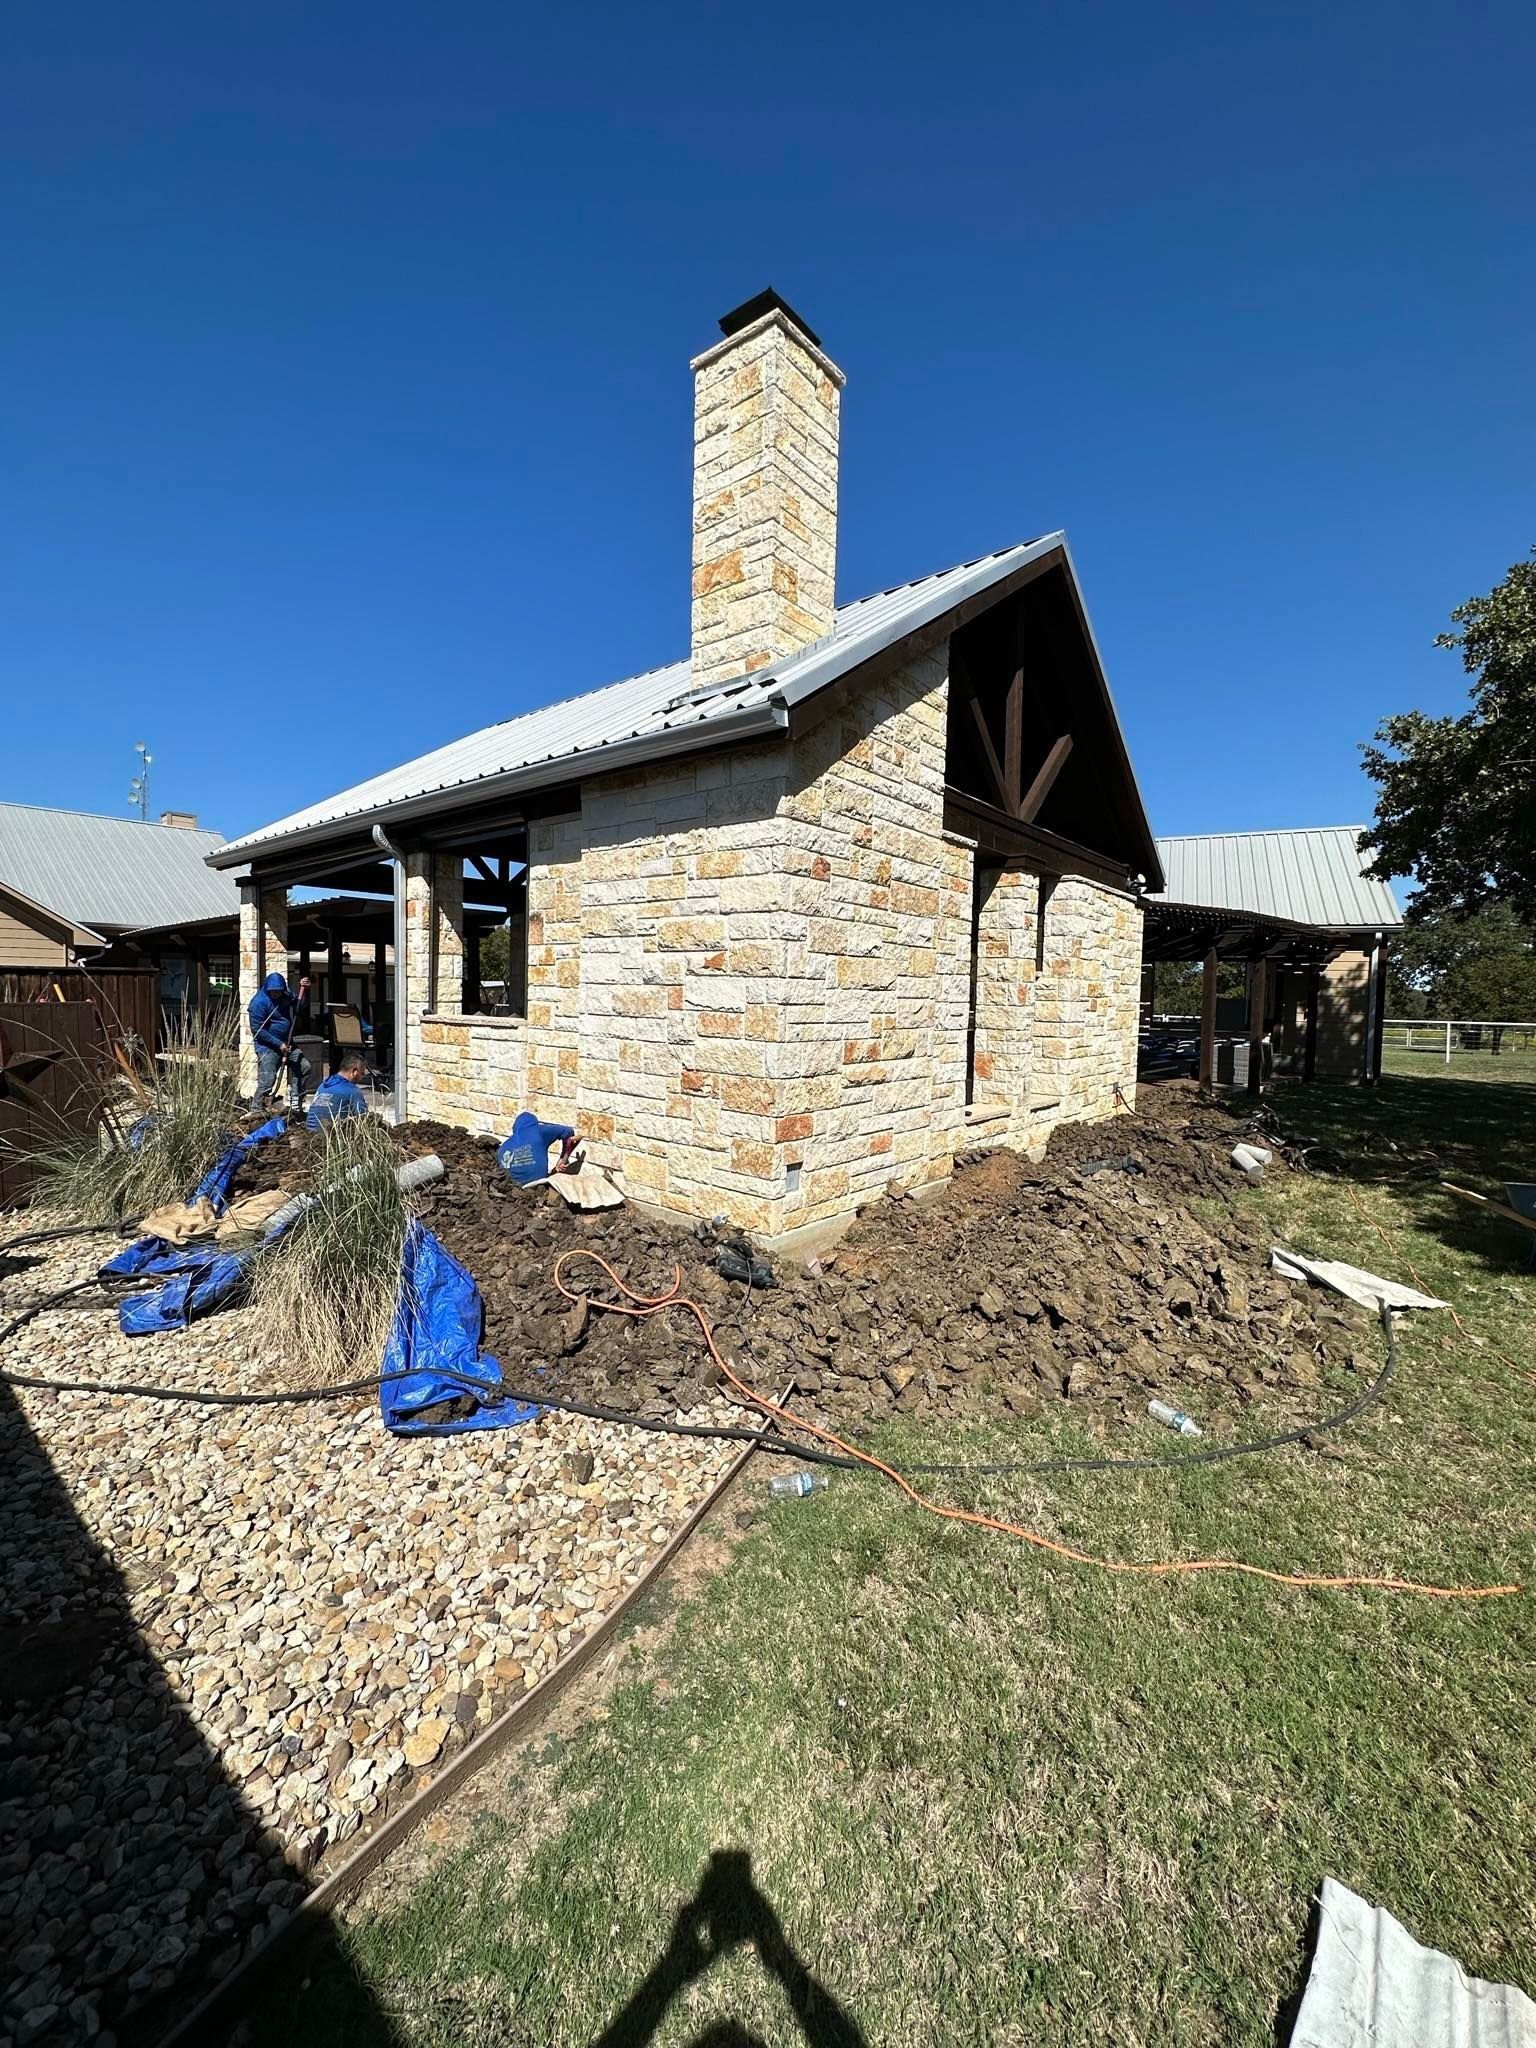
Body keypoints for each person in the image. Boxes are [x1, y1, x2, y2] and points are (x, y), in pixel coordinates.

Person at [248, 970, 312, 1116]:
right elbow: (257, 1030)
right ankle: (256, 1110)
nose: (276, 995)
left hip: (287, 1042)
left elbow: (299, 1006)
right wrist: (278, 1044)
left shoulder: (285, 993)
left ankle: (296, 1102)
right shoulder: (258, 1003)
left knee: (304, 1067)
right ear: (267, 989)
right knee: (268, 1079)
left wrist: (305, 991)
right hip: (267, 1046)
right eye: (273, 992)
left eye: (279, 992)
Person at [498, 1111, 578, 1186]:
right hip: (539, 1183)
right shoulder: (539, 1131)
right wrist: (562, 1159)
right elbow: (568, 1131)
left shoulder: (503, 1147)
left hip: (513, 1187)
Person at [306, 1049, 371, 1131]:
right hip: (330, 1138)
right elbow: (364, 1119)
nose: (361, 1078)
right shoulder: (352, 1091)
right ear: (354, 1071)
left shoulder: (322, 1086)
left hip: (309, 1134)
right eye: (362, 1074)